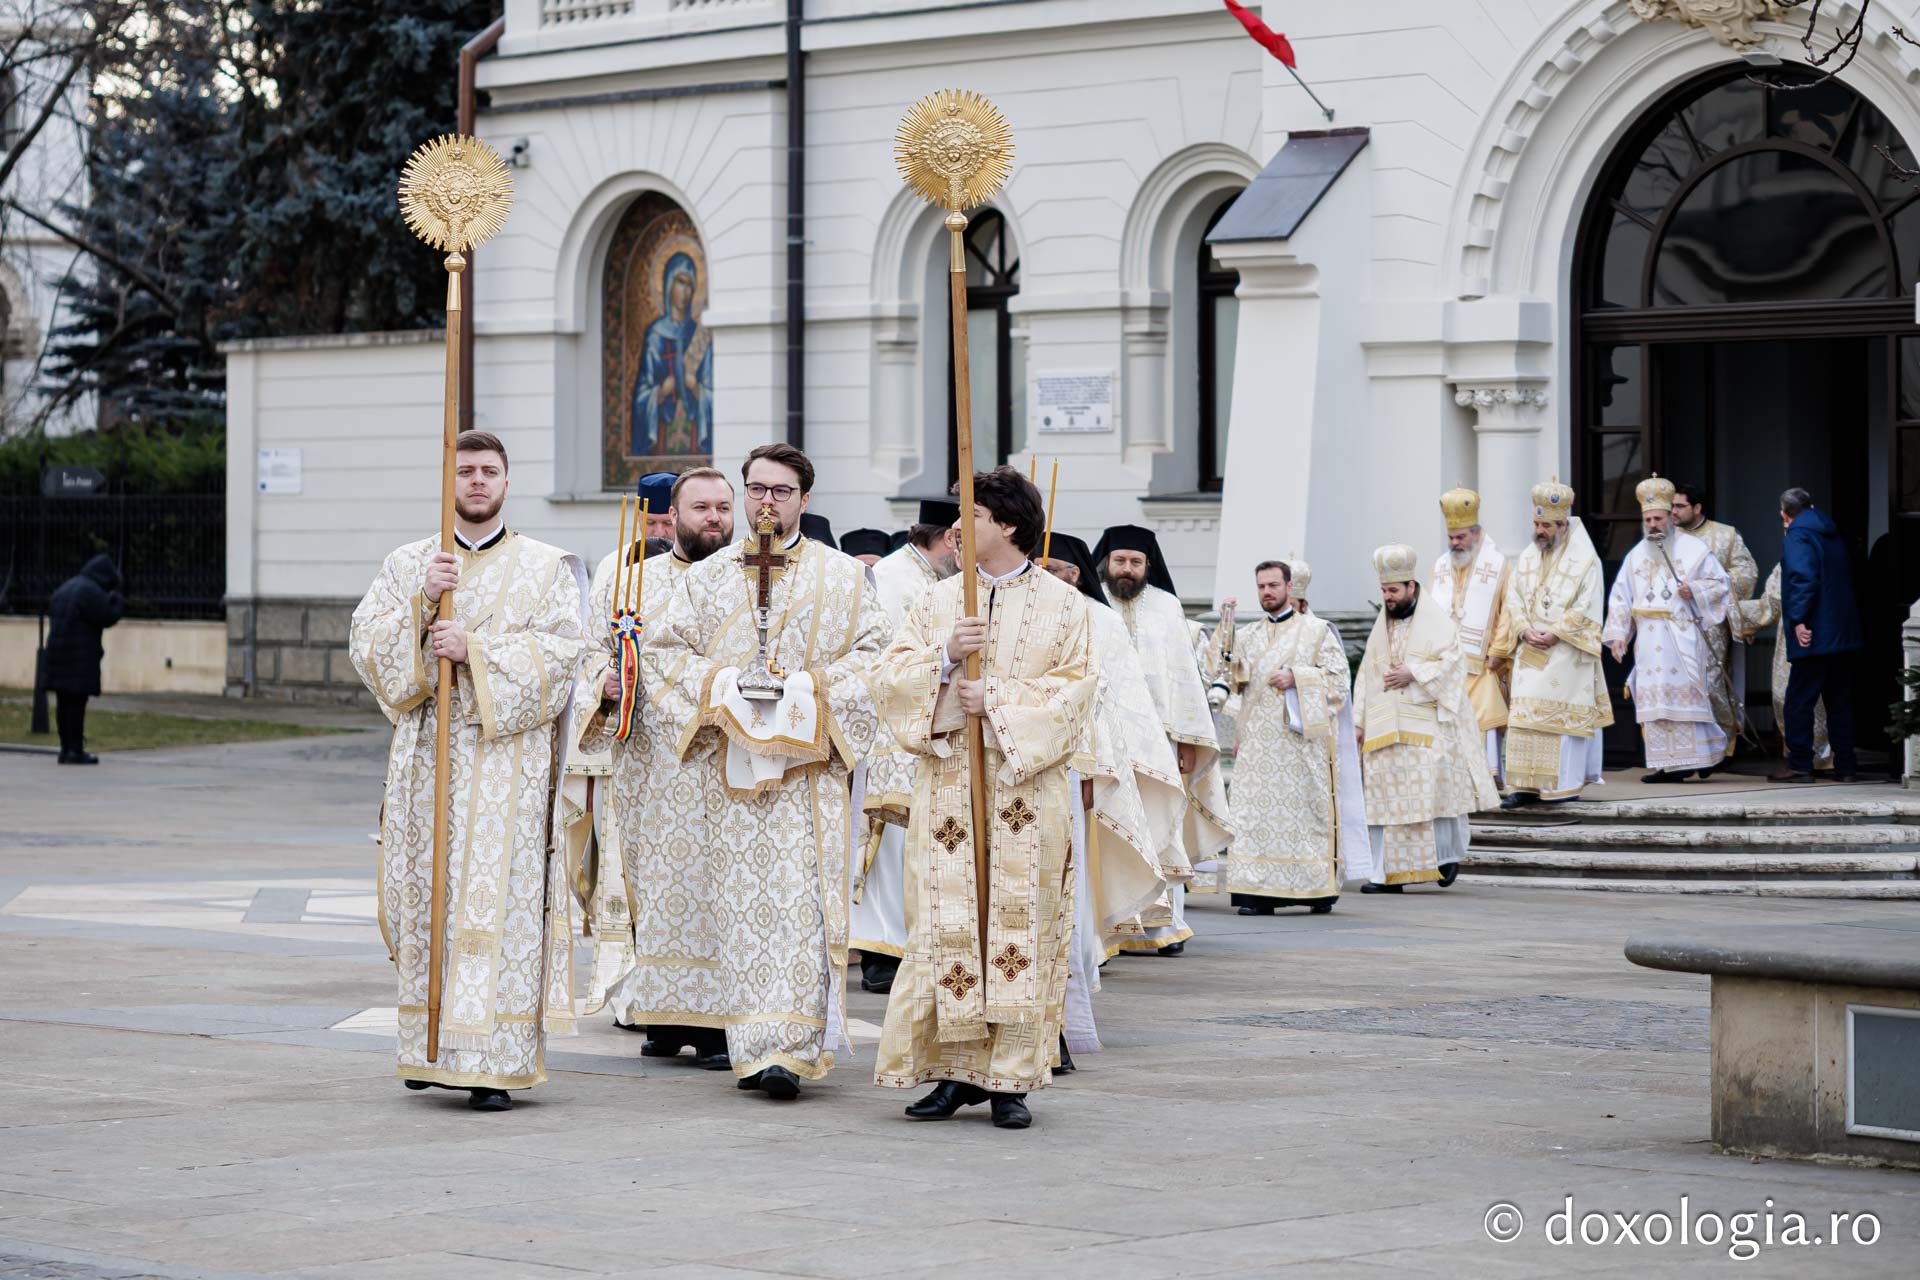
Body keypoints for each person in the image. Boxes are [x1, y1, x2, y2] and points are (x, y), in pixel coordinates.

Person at [641, 443, 891, 1100]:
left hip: (807, 779)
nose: (766, 503)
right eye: (756, 489)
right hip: (730, 778)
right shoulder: (705, 579)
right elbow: (664, 655)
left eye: (781, 491)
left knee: (800, 911)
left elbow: (878, 660)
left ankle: (792, 1049)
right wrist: (726, 689)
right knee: (740, 909)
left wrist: (802, 691)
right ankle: (751, 1047)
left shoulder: (844, 579)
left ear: (804, 499)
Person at [348, 431, 588, 1112]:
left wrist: (473, 649)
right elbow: (367, 649)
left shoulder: (547, 567)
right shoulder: (409, 563)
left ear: (507, 483)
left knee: (498, 905)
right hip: (427, 764)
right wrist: (422, 605)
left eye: (489, 471)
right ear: (447, 482)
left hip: (507, 770)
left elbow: (563, 654)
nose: (477, 481)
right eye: (465, 471)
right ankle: (428, 1048)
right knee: (426, 899)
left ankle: (492, 1063)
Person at [872, 467, 1096, 1130]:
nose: (955, 528)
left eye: (971, 516)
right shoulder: (938, 601)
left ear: (1008, 524)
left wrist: (991, 700)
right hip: (948, 790)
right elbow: (889, 679)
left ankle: (1010, 1080)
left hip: (1026, 792)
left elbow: (1076, 695)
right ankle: (950, 1072)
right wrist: (944, 658)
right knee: (948, 926)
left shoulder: (1065, 606)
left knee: (1018, 930)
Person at [572, 467, 737, 1069]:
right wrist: (603, 683)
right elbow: (590, 648)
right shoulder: (629, 578)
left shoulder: (746, 580)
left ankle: (716, 1023)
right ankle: (666, 1014)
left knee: (712, 890)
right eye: (700, 508)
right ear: (674, 514)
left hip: (719, 758)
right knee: (655, 885)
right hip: (648, 761)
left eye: (723, 507)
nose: (713, 518)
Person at [1042, 532, 1186, 1060]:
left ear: (1076, 574)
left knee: (1070, 903)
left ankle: (1061, 1024)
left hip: (1076, 776)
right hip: (1012, 771)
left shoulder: (1098, 621)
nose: (1048, 578)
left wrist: (1098, 771)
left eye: (1057, 570)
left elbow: (1117, 705)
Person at [1092, 525, 1233, 955]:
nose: (1127, 569)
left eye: (1136, 562)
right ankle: (1117, 924)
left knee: (1162, 822)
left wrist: (1189, 741)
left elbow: (1184, 679)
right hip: (1108, 738)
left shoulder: (1167, 606)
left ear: (1148, 565)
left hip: (1161, 740)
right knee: (1114, 827)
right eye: (1120, 561)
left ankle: (1165, 925)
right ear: (1106, 562)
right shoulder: (1092, 603)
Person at [1207, 559, 1364, 913]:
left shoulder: (1318, 631)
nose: (1267, 592)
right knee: (1253, 819)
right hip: (1257, 747)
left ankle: (1313, 890)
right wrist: (1225, 629)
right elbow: (1226, 677)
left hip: (1300, 746)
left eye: (1273, 585)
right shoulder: (1248, 635)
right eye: (1261, 586)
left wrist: (1298, 678)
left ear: (1289, 588)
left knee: (1303, 819)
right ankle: (1255, 893)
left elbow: (1339, 682)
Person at [855, 500, 961, 994]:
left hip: (924, 729)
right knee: (890, 847)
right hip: (892, 732)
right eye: (955, 543)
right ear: (940, 538)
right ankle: (883, 951)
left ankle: (907, 946)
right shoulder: (895, 579)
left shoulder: (929, 577)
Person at [1350, 545, 1500, 889]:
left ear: (1411, 587)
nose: (1388, 597)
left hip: (1427, 724)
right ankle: (1386, 873)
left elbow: (1454, 666)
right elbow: (1367, 678)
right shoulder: (1381, 629)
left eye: (1393, 590)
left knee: (1431, 797)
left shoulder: (1438, 624)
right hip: (1384, 728)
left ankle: (1443, 857)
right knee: (1384, 803)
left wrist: (1414, 672)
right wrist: (1358, 723)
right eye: (1384, 591)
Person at [1603, 477, 1734, 782]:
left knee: (1686, 700)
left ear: (1670, 517)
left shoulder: (1695, 549)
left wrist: (1694, 590)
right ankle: (1667, 765)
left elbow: (1720, 584)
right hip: (1648, 642)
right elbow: (1621, 597)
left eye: (1658, 519)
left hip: (1681, 638)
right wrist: (1619, 635)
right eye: (1648, 520)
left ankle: (1699, 758)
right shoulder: (1636, 554)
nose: (1653, 525)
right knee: (1655, 703)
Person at [1491, 478, 1611, 806]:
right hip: (1531, 650)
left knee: (1559, 723)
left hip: (1566, 653)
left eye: (1546, 525)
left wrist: (1557, 632)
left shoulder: (1585, 560)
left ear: (1562, 525)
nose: (1539, 531)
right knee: (1524, 719)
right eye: (1536, 524)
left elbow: (1588, 603)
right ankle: (1523, 787)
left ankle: (1559, 788)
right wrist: (1523, 629)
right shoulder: (1528, 556)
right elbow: (1514, 597)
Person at [1772, 487, 1861, 782]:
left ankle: (1799, 764)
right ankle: (1846, 766)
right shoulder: (1832, 533)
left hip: (1815, 634)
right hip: (1842, 633)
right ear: (1811, 506)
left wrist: (1799, 620)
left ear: (1784, 515)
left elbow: (1803, 578)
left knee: (1798, 700)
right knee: (1839, 702)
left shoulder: (1798, 536)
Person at [1431, 489, 1511, 786]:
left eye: (1461, 537)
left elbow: (1509, 611)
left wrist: (1499, 650)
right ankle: (1457, 778)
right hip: (1446, 662)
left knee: (1484, 713)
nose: (1455, 543)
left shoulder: (1499, 565)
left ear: (1475, 534)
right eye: (1451, 537)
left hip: (1482, 661)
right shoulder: (1441, 566)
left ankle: (1488, 775)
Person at [1671, 481, 1758, 747]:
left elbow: (1747, 574)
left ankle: (1721, 745)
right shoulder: (1666, 537)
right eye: (1672, 506)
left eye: (1679, 506)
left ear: (1697, 508)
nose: (1673, 511)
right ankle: (1685, 747)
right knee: (1677, 683)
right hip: (1673, 622)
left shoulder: (1725, 535)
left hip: (1711, 622)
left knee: (1711, 682)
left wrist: (1702, 589)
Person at [1733, 563, 1832, 772]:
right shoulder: (1838, 554)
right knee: (1832, 699)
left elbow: (1772, 605)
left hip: (1800, 636)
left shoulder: (1795, 558)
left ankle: (1806, 761)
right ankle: (1838, 761)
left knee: (1792, 696)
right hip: (1836, 637)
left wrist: (1732, 611)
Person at [44, 554, 125, 765]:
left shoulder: (66, 587)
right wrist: (118, 597)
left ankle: (65, 749)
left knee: (63, 703)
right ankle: (75, 750)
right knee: (77, 704)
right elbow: (107, 616)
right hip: (79, 658)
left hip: (57, 653)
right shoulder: (90, 591)